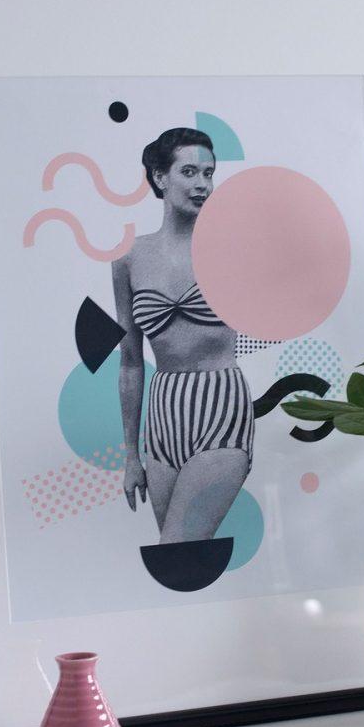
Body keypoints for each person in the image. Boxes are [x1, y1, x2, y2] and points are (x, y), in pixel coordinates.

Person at [112, 128, 252, 544]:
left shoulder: (231, 250)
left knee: (178, 548)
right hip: (163, 414)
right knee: (181, 557)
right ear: (159, 177)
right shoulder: (129, 258)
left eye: (208, 174)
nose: (201, 184)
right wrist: (131, 455)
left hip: (221, 405)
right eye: (189, 171)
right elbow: (131, 362)